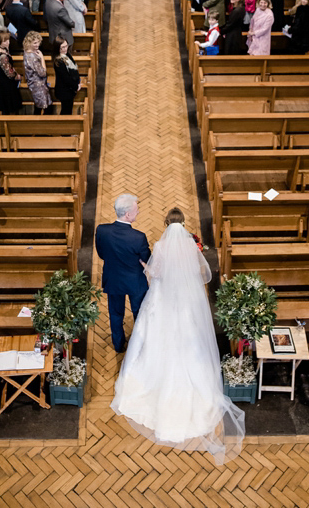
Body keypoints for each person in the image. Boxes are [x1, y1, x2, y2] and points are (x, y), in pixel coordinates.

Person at [109, 207, 245, 464]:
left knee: (155, 336)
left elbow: (156, 273)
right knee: (190, 333)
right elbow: (201, 274)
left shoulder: (160, 247)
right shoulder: (191, 246)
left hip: (163, 298)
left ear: (165, 223)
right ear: (183, 224)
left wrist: (144, 266)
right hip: (188, 301)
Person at [95, 193, 151, 354]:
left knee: (115, 313)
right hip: (135, 282)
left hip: (113, 279)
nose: (138, 212)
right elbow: (147, 259)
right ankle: (139, 346)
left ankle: (118, 345)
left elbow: (101, 253)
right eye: (136, 209)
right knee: (139, 313)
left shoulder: (102, 230)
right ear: (128, 214)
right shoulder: (138, 237)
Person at [0, 30, 23, 116]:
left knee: (7, 107)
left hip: (1, 79)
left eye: (8, 40)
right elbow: (10, 73)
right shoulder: (2, 56)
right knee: (9, 106)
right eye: (5, 41)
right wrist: (18, 76)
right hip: (6, 83)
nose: (8, 42)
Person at [22, 31, 52, 115]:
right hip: (38, 86)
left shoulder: (27, 52)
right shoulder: (32, 57)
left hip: (34, 85)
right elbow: (43, 73)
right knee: (44, 108)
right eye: (35, 43)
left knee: (39, 107)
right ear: (29, 42)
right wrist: (42, 58)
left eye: (38, 42)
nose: (37, 45)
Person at [52, 36, 81, 115]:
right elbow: (66, 78)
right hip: (64, 91)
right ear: (57, 48)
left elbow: (74, 68)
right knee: (66, 111)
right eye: (62, 47)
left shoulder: (67, 54)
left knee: (68, 109)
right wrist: (76, 86)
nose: (65, 49)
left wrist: (78, 81)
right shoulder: (59, 61)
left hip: (69, 90)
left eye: (66, 46)